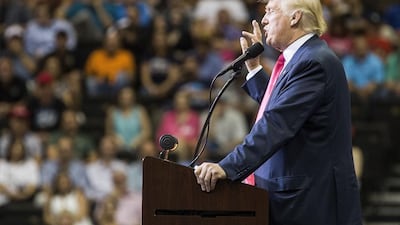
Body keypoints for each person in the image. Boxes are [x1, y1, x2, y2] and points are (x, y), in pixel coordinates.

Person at [193, 0, 363, 224]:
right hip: (297, 198)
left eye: (270, 11)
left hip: (310, 202)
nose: (263, 19)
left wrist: (227, 166)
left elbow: (277, 122)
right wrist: (253, 68)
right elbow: (283, 107)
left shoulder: (313, 62)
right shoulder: (303, 58)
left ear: (295, 18)